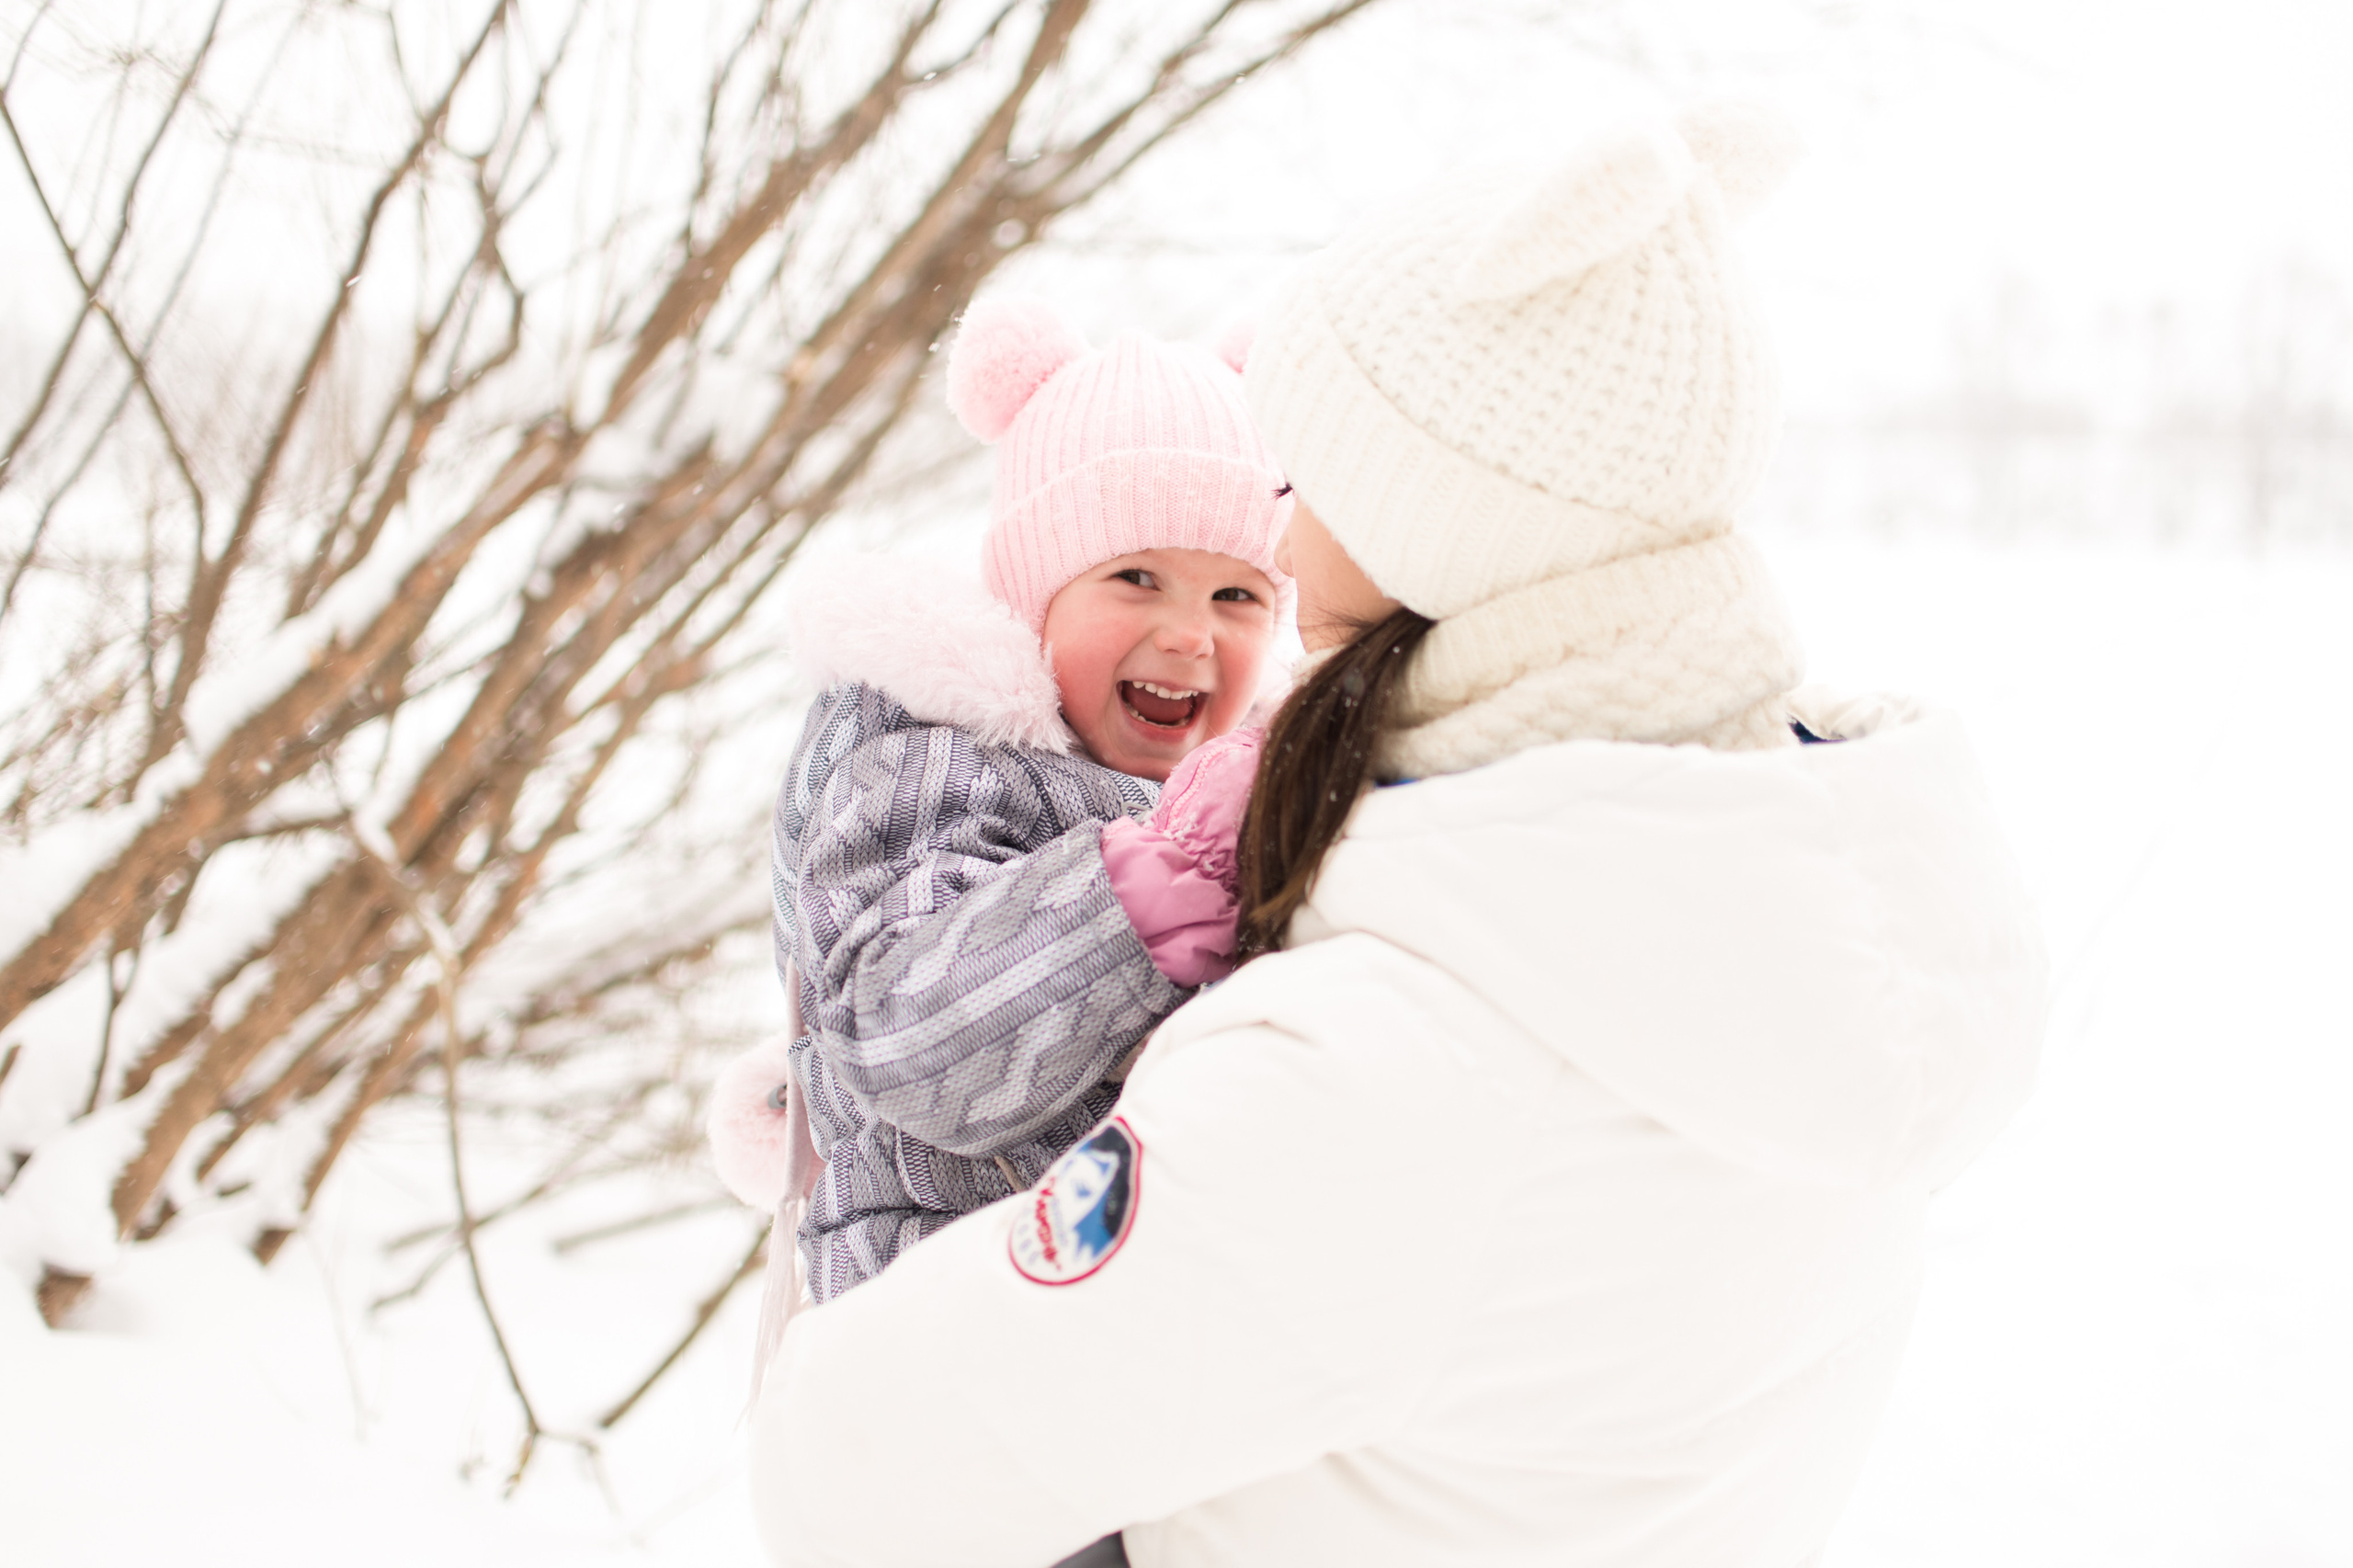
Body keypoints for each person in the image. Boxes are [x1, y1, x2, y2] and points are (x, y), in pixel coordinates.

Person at [745, 104, 2047, 1568]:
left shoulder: (1403, 1043)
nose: (1279, 559)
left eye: (1306, 494)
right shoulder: (1802, 885)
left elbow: (848, 1463)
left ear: (1444, 513)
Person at [709, 296, 1290, 1303]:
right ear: (1036, 593)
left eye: (1235, 595)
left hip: (1144, 1313)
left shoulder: (1232, 802)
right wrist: (1151, 888)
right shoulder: (935, 767)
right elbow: (910, 1041)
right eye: (1137, 577)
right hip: (948, 1311)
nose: (1191, 633)